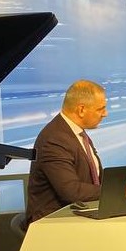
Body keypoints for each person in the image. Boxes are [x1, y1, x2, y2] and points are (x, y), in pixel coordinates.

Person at [24, 79, 109, 226]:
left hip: (78, 214)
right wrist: (115, 191)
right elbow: (71, 191)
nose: (105, 114)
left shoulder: (76, 133)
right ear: (81, 110)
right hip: (52, 224)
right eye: (100, 109)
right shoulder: (55, 138)